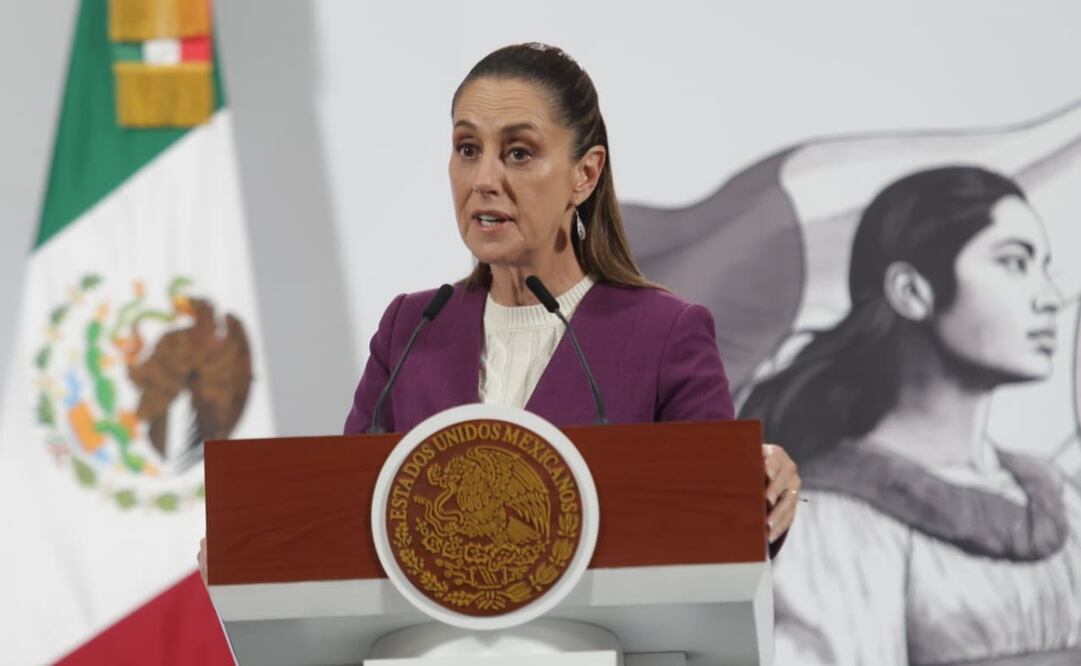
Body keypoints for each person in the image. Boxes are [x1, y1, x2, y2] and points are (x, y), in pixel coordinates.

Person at [199, 43, 801, 584]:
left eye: (518, 152)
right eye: (468, 149)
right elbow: (346, 521)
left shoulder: (664, 335)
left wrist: (760, 488)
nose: (484, 179)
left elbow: (718, 532)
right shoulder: (411, 329)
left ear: (585, 174)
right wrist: (253, 556)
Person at [742, 166, 1081, 664]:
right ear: (912, 291)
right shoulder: (833, 518)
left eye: (1043, 267)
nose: (1050, 298)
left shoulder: (1061, 497)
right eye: (1014, 262)